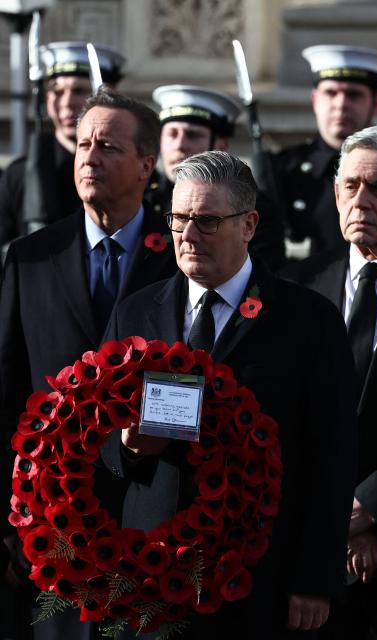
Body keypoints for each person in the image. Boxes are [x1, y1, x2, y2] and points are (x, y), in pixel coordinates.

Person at [103, 150, 358, 639]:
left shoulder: (308, 321)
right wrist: (127, 447)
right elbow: (100, 436)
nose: (188, 235)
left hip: (262, 577)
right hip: (152, 573)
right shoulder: (135, 312)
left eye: (207, 221)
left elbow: (333, 455)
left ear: (249, 225)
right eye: (179, 219)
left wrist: (315, 578)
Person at [0, 88, 177, 639]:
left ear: (147, 165)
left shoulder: (180, 254)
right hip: (51, 525)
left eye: (108, 146)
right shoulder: (31, 257)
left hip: (157, 526)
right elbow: (6, 387)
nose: (89, 157)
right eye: (82, 144)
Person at [281, 125, 377, 639]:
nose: (361, 200)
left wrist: (374, 510)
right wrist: (331, 521)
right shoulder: (298, 286)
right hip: (308, 564)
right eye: (350, 186)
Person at [258, 45, 377, 259]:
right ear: (315, 100)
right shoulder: (282, 169)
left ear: (375, 104)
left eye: (353, 95)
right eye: (331, 93)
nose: (340, 104)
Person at [0, 41, 125, 258]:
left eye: (79, 91)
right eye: (57, 91)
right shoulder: (19, 174)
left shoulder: (126, 170)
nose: (66, 103)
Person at [148, 84, 286, 270]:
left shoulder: (253, 206)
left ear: (220, 146)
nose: (180, 144)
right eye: (172, 134)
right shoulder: (144, 199)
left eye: (192, 135)